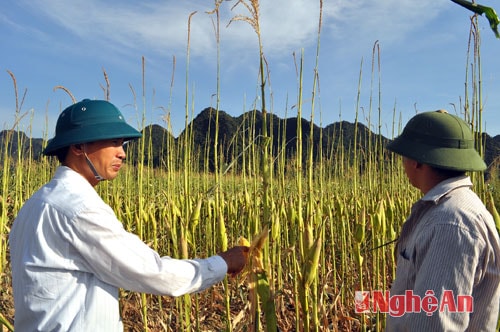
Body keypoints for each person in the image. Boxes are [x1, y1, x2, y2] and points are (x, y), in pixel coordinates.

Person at [9, 99, 249, 331]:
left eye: (123, 144)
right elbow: (154, 273)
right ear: (78, 146)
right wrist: (224, 262)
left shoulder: (35, 204)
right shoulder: (78, 208)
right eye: (113, 142)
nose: (122, 153)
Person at [385, 109, 500, 331]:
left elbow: (436, 323)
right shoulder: (450, 209)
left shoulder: (450, 223)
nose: (402, 163)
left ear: (417, 160)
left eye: (404, 155)